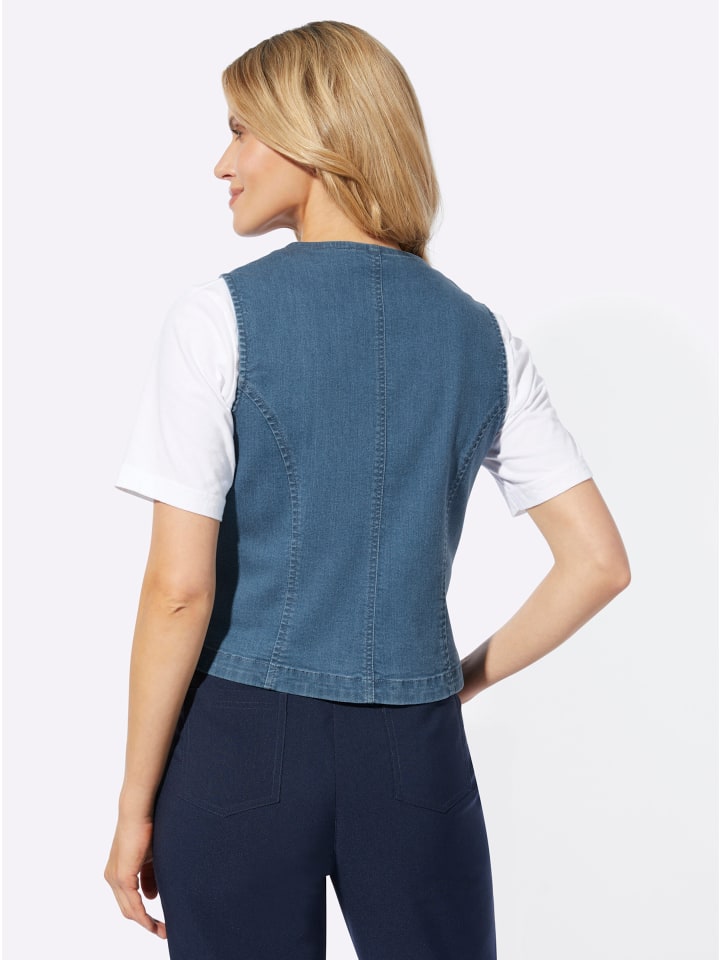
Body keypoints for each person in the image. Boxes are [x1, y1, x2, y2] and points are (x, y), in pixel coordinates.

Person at [104, 20, 630, 960]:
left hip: (239, 744)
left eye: (241, 130)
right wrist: (454, 684)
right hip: (414, 747)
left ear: (312, 138)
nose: (222, 163)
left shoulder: (217, 318)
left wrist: (133, 807)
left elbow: (179, 590)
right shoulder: (484, 339)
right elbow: (597, 564)